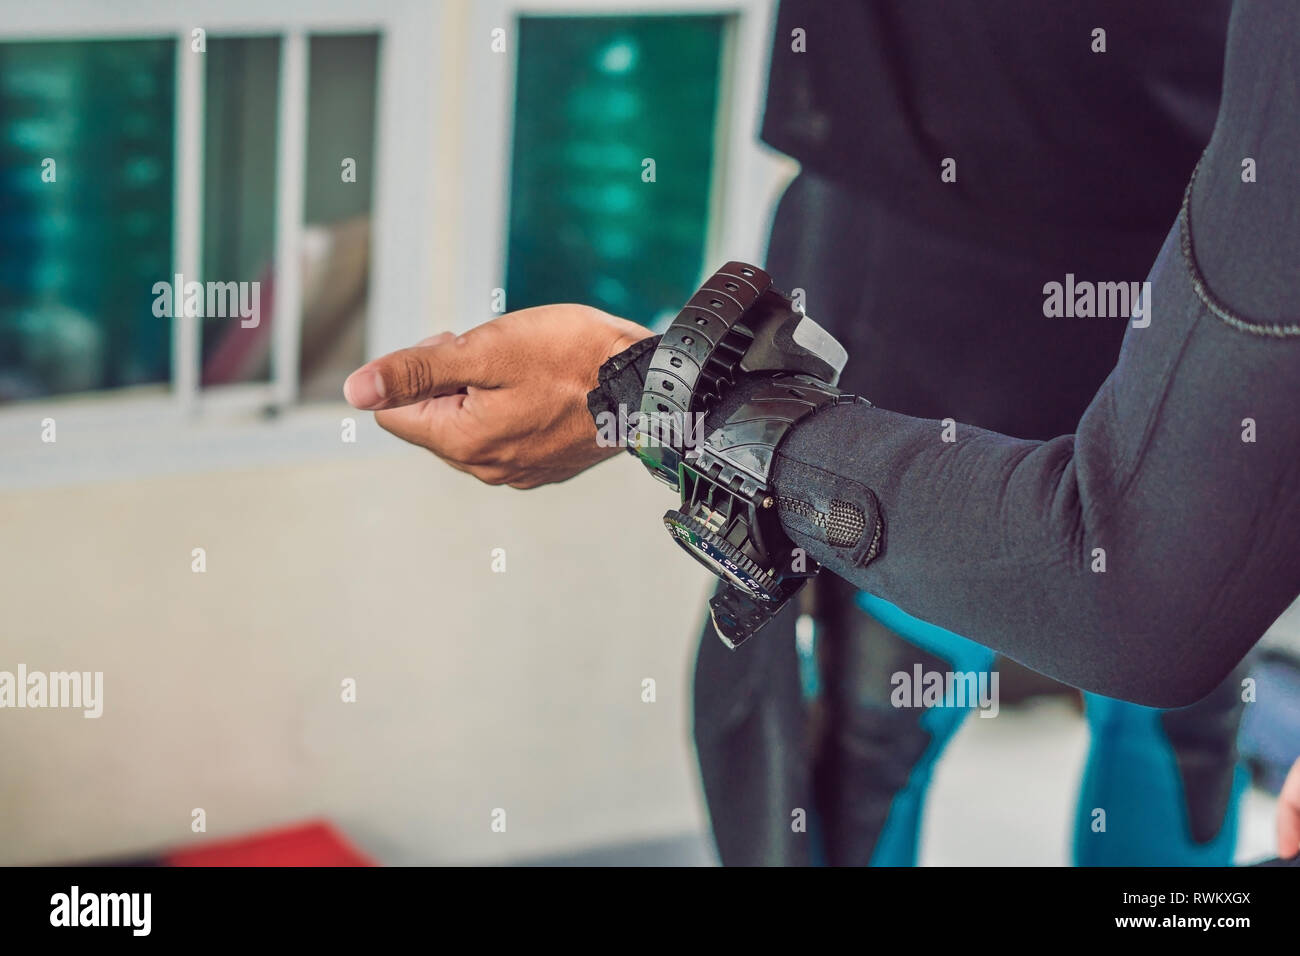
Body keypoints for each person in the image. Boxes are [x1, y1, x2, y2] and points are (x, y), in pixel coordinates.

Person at [344, 0, 1300, 860]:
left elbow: (1145, 607)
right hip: (923, 196)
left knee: (1167, 694)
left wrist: (658, 400)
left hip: (1209, 210)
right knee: (883, 711)